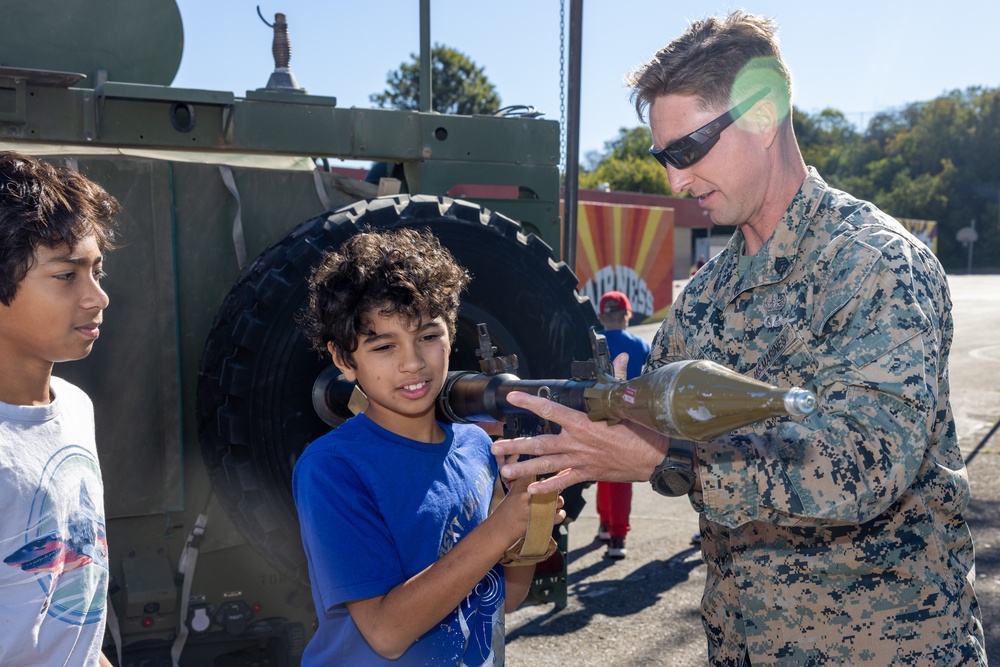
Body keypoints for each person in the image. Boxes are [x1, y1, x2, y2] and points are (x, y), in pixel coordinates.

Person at [491, 11, 987, 665]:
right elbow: (666, 449)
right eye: (664, 157)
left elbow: (868, 459)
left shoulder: (870, 261)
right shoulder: (704, 298)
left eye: (689, 150)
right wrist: (582, 423)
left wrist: (671, 455)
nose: (675, 180)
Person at [292, 227, 563, 665]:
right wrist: (501, 527)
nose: (413, 362)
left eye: (428, 336)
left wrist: (531, 516)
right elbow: (386, 633)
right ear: (344, 360)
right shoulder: (332, 467)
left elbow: (506, 598)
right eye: (383, 345)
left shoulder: (477, 446)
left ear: (451, 334)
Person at [0, 151, 119, 666]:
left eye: (98, 270)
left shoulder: (74, 408)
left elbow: (72, 617)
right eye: (67, 276)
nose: (98, 297)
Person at [594, 290, 650, 559]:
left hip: (596, 413)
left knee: (600, 469)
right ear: (627, 315)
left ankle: (605, 523)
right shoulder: (640, 345)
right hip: (629, 416)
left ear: (601, 316)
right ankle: (618, 536)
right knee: (620, 477)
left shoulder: (592, 342)